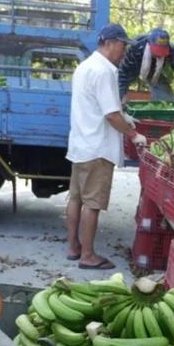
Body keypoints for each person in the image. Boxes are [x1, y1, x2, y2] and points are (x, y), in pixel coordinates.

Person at [66, 23, 146, 270]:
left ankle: (73, 247)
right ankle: (88, 255)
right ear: (110, 43)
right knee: (93, 204)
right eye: (123, 45)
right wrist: (134, 135)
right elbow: (111, 114)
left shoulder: (84, 67)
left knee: (76, 199)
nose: (124, 52)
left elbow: (102, 108)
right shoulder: (105, 71)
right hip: (98, 149)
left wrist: (124, 115)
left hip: (81, 144)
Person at [118, 28, 174, 102]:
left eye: (163, 51)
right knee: (118, 95)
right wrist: (122, 94)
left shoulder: (171, 51)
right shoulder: (136, 47)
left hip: (155, 71)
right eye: (157, 51)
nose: (159, 54)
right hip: (133, 66)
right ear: (149, 44)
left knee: (167, 101)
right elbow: (123, 72)